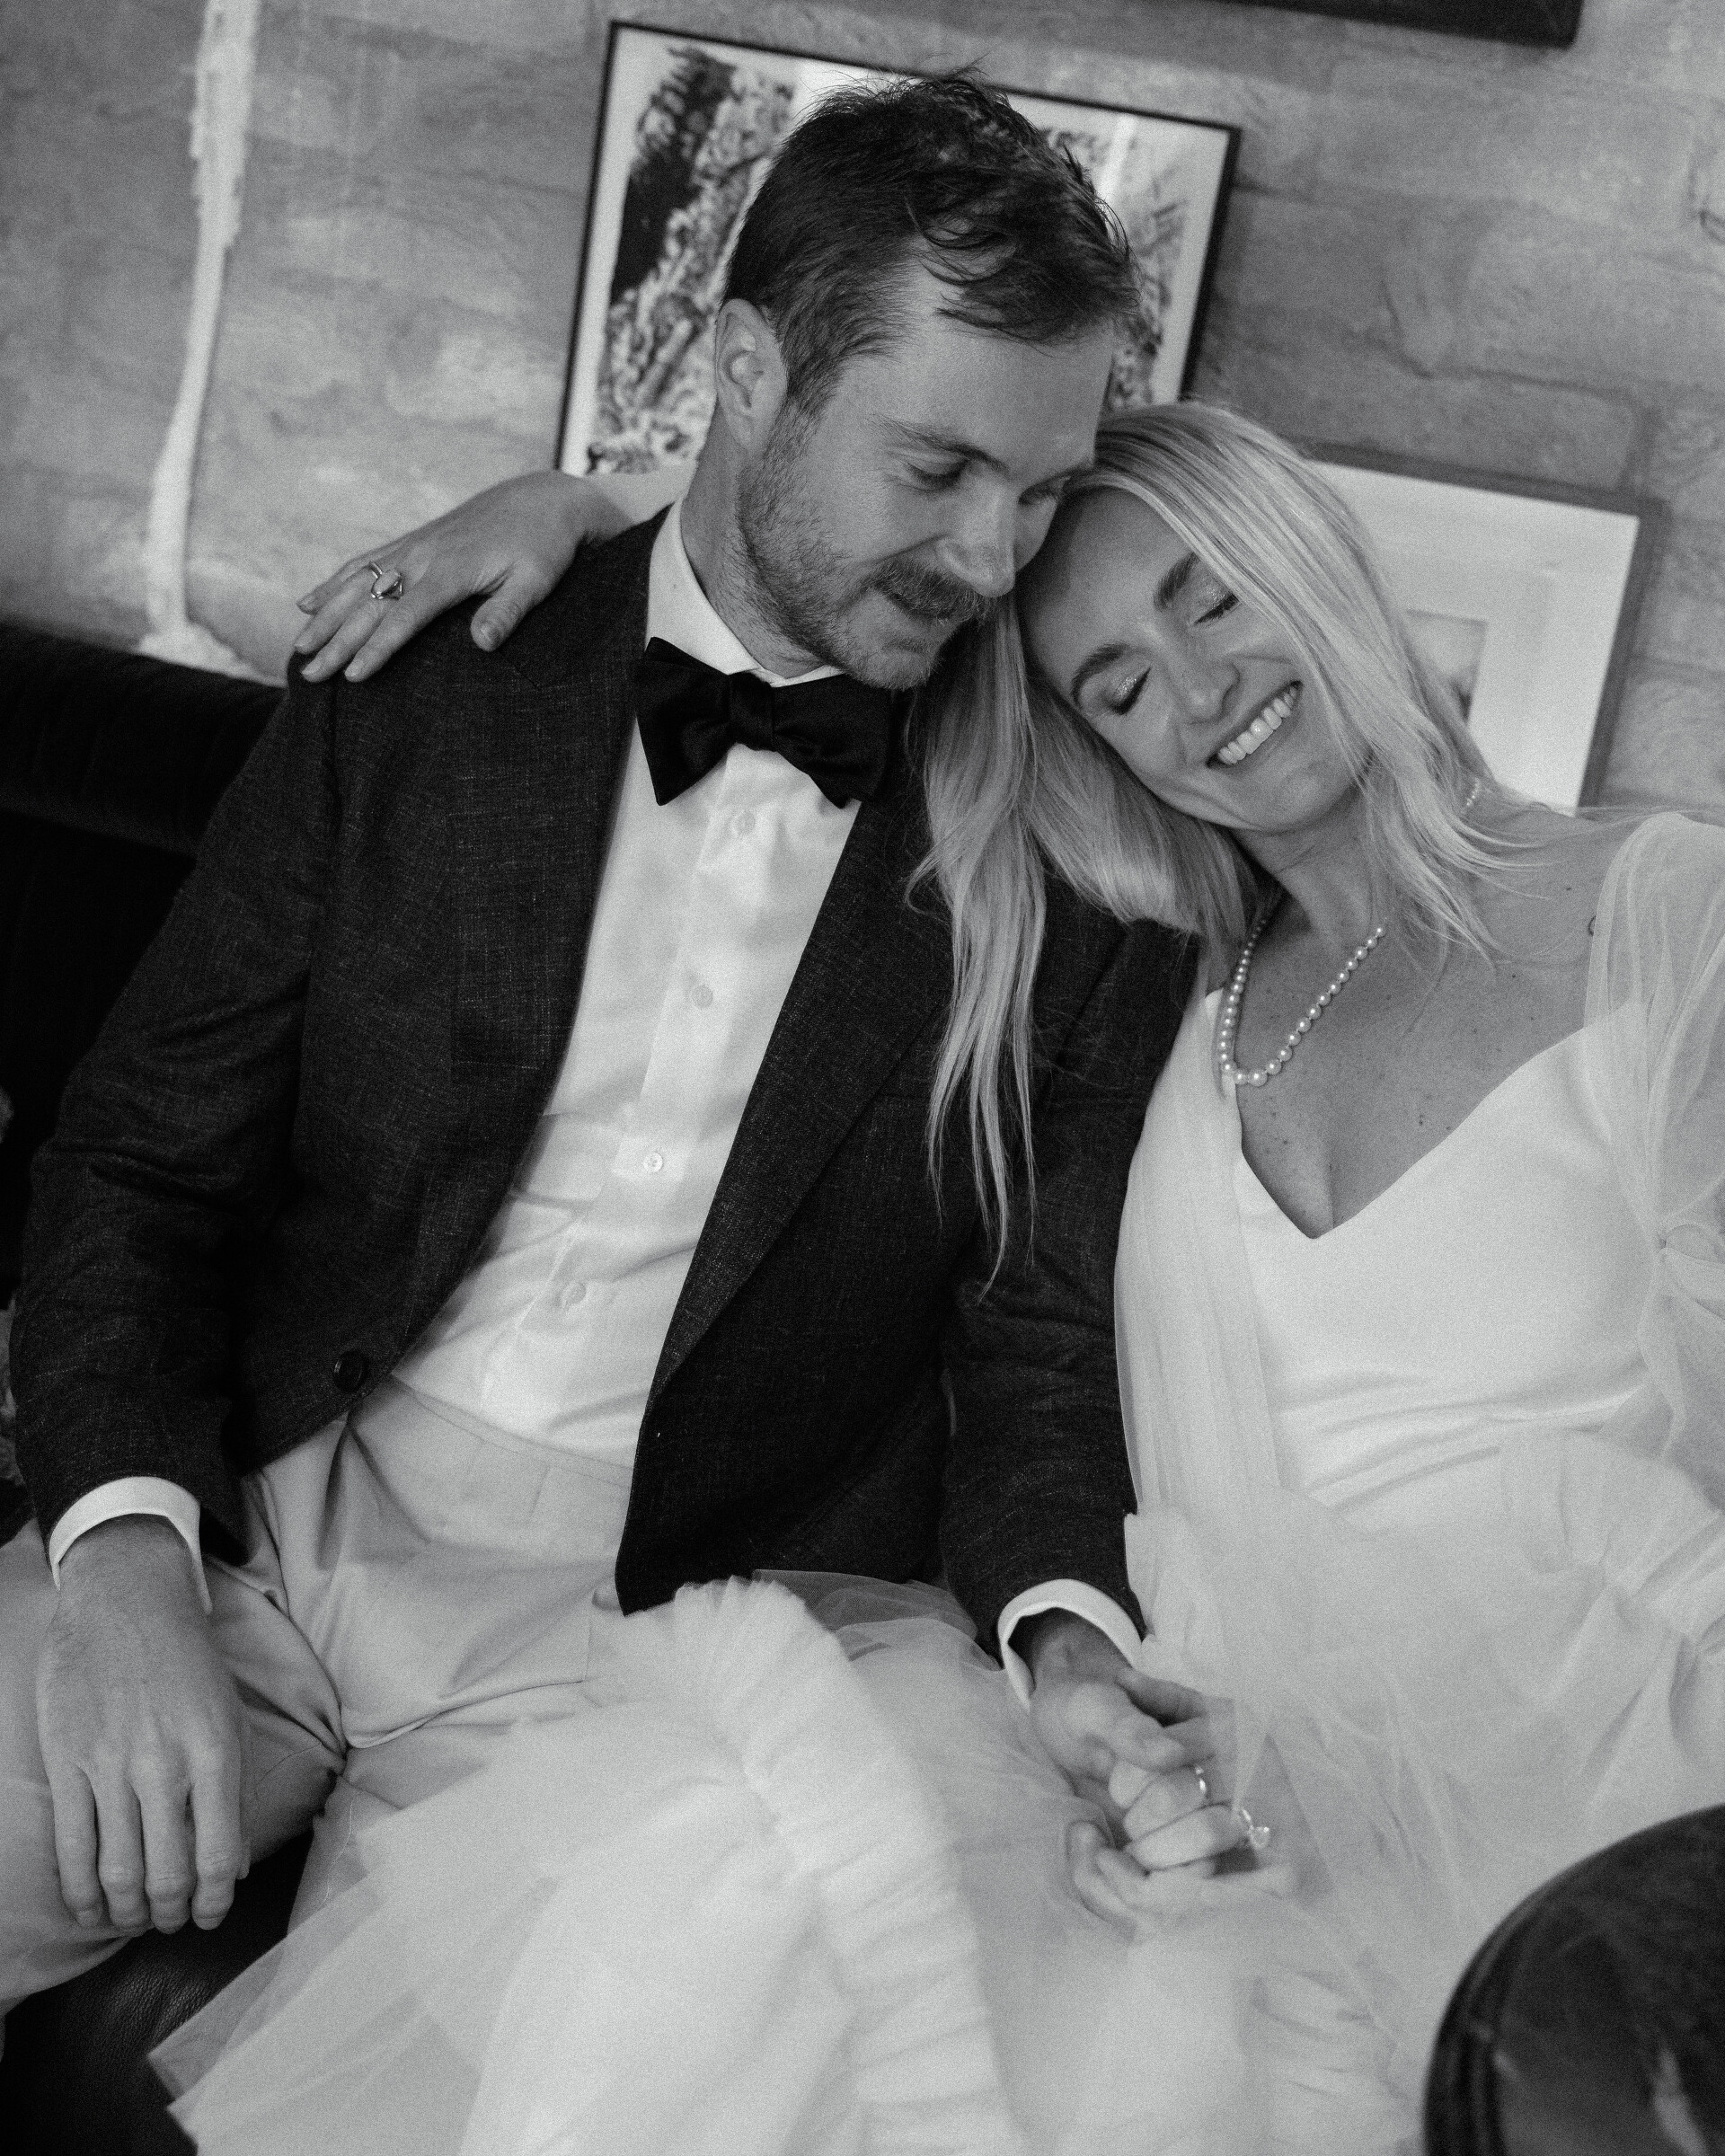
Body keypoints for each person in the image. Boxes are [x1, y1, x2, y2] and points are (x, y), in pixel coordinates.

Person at [236, 397, 1725, 2152]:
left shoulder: (1665, 915)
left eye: (1210, 597)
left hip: (1561, 1763)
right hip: (1157, 1728)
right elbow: (828, 583)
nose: (1199, 691)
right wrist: (590, 507)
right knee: (719, 1893)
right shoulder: (1147, 980)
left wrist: (1366, 1783)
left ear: (1309, 550)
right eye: (1118, 684)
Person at [0, 76, 1237, 2067]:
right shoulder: (429, 671)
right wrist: (124, 1550)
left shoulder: (1084, 848)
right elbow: (141, 1158)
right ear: (745, 372)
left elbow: (1034, 1349)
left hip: (655, 1648)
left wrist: (1067, 1638)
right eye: (937, 468)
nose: (995, 556)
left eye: (1041, 490)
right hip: (263, 1512)